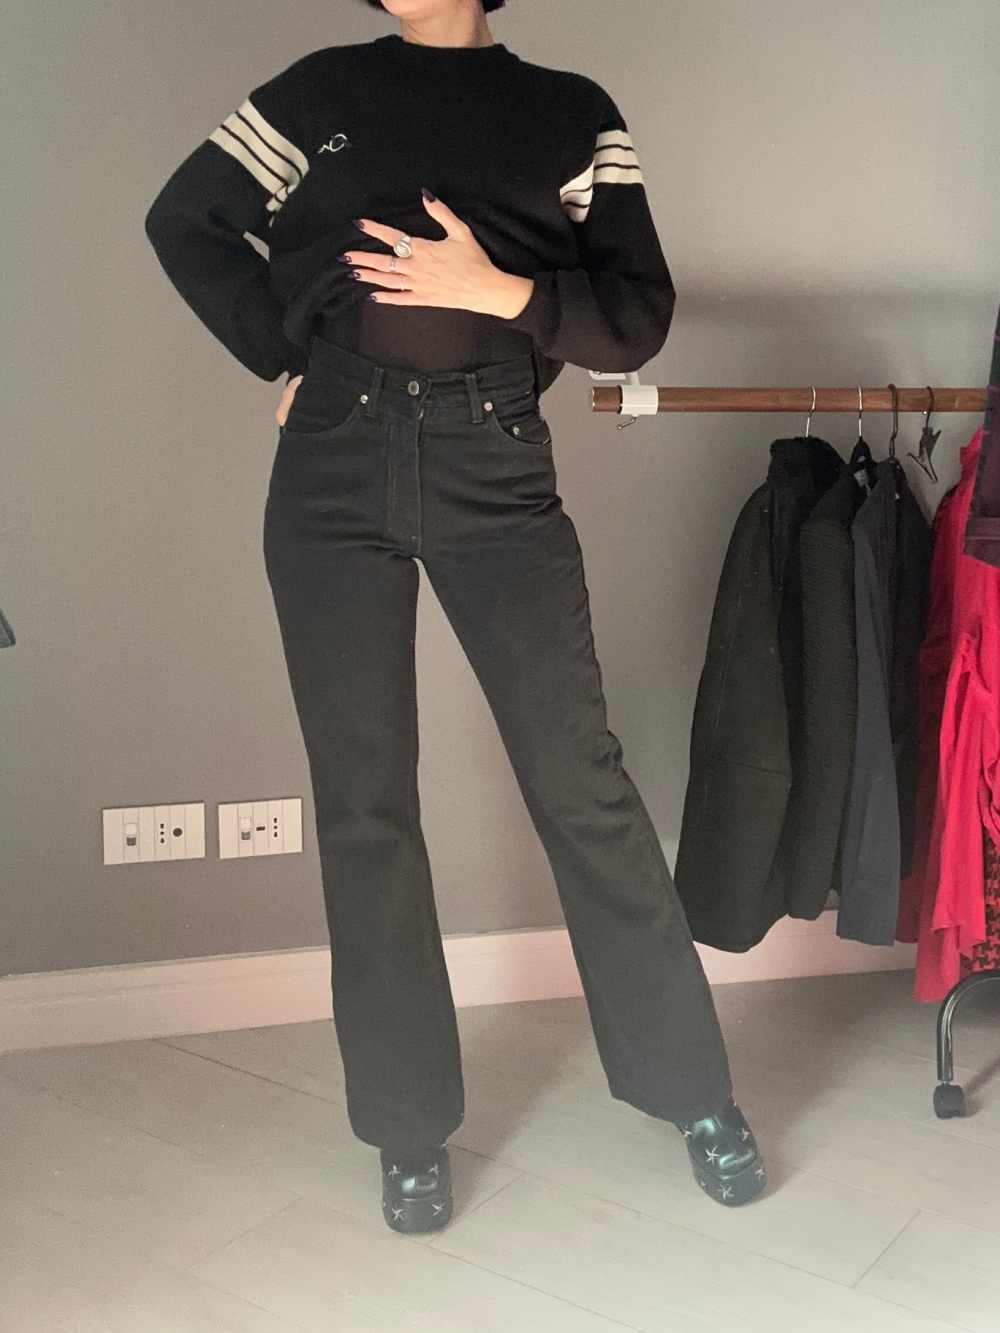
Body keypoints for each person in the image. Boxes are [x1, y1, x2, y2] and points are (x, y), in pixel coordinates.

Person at [144, 0, 766, 1234]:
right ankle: (407, 1124)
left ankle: (692, 1091)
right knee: (364, 802)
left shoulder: (568, 113)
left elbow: (634, 315)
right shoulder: (319, 91)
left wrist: (498, 289)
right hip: (335, 457)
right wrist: (287, 354)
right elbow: (186, 218)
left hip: (494, 456)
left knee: (580, 782)